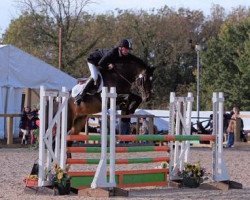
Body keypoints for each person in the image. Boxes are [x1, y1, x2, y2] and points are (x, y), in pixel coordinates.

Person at [74, 39, 133, 105]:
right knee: (95, 76)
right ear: (120, 47)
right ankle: (80, 95)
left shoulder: (122, 55)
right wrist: (108, 65)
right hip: (93, 61)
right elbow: (100, 63)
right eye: (126, 49)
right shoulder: (112, 53)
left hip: (102, 63)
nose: (127, 51)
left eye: (128, 49)